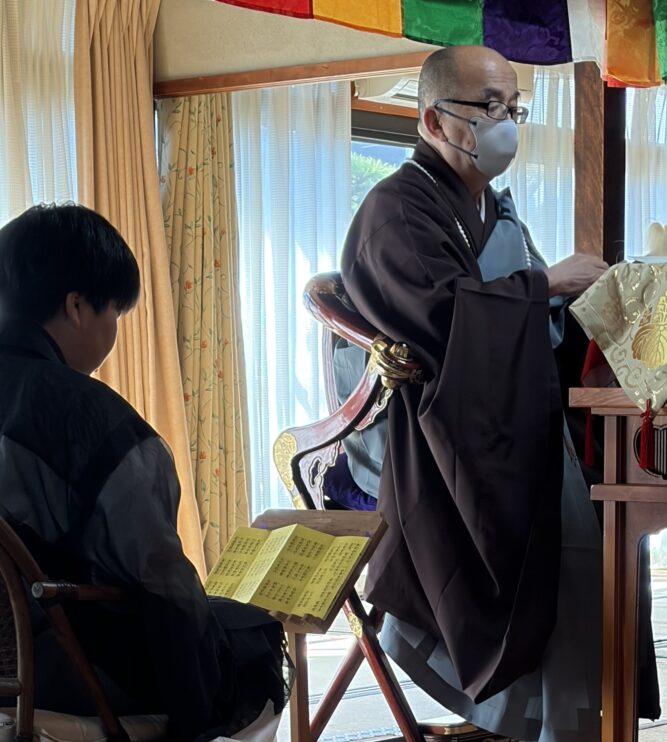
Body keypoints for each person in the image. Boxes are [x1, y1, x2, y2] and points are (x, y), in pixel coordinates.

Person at [340, 45, 617, 741]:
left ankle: (567, 724)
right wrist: (546, 285)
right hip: (438, 442)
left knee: (601, 531)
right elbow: (446, 322)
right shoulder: (395, 212)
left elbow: (530, 319)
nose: (506, 123)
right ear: (434, 120)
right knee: (558, 540)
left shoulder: (493, 208)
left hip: (511, 423)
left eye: (514, 108)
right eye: (489, 106)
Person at [0, 204, 287, 741]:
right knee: (252, 638)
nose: (113, 330)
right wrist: (197, 709)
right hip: (66, 676)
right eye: (114, 311)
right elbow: (164, 588)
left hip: (7, 668)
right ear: (77, 306)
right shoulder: (94, 423)